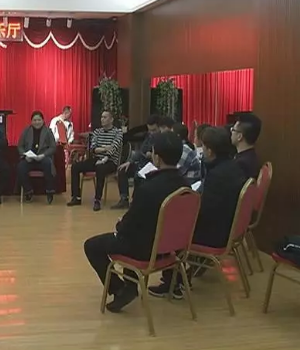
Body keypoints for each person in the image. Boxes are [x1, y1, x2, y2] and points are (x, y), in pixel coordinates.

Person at [84, 131, 188, 312]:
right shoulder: (185, 185)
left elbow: (130, 226)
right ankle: (130, 286)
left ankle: (121, 289)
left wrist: (120, 224)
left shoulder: (148, 188)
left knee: (92, 245)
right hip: (172, 248)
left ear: (157, 157)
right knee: (132, 234)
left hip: (147, 250)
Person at [149, 127, 247, 297]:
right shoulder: (233, 167)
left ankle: (173, 283)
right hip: (229, 227)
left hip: (215, 234)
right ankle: (178, 277)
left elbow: (203, 211)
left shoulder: (217, 175)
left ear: (209, 150)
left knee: (165, 227)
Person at [67, 111, 122, 212]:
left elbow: (114, 148)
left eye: (105, 117)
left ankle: (97, 199)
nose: (102, 119)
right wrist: (105, 148)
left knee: (100, 168)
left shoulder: (118, 132)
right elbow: (93, 149)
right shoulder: (97, 132)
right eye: (101, 117)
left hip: (110, 161)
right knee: (75, 167)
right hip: (96, 159)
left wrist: (104, 157)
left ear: (111, 120)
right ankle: (76, 197)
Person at [113, 114, 159, 209]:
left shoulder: (163, 138)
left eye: (154, 130)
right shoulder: (148, 135)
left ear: (159, 127)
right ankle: (124, 199)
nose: (151, 133)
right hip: (142, 163)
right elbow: (141, 151)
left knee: (139, 175)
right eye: (149, 130)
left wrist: (152, 155)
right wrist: (130, 161)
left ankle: (137, 201)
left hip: (153, 166)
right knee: (122, 170)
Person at [17, 111, 57, 204]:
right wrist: (25, 155)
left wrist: (43, 155)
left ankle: (49, 191)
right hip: (29, 158)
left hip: (42, 157)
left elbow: (53, 147)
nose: (37, 122)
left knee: (48, 164)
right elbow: (20, 146)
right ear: (31, 121)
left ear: (43, 121)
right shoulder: (26, 131)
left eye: (39, 120)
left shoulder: (48, 131)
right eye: (34, 120)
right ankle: (28, 191)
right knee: (20, 167)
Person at [231, 113, 262, 179]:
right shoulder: (251, 156)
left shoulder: (241, 164)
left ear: (239, 136)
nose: (231, 132)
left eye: (233, 130)